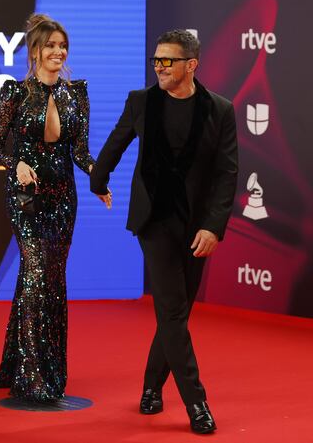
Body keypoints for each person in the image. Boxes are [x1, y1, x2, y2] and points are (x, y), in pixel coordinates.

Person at [90, 29, 238, 433]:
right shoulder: (142, 102)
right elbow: (116, 144)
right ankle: (197, 404)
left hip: (196, 226)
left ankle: (151, 387)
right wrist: (98, 180)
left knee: (177, 314)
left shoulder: (220, 110)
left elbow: (227, 174)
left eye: (167, 60)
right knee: (173, 311)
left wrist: (213, 227)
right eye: (156, 59)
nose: (159, 66)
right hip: (153, 221)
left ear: (191, 65)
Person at [0, 13, 110, 401]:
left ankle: (19, 363)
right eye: (49, 46)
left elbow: (80, 152)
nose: (57, 52)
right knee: (38, 276)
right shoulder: (15, 93)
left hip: (63, 198)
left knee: (47, 281)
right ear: (34, 51)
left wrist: (98, 178)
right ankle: (34, 378)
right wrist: (16, 163)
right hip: (26, 198)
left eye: (62, 45)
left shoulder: (78, 93)